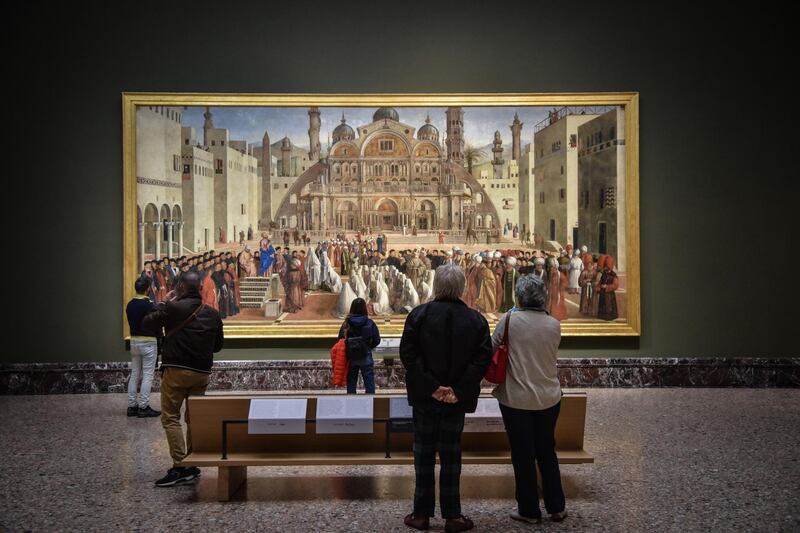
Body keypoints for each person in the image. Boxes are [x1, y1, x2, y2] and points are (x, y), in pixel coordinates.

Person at [399, 263, 493, 532]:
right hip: (455, 401)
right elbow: (482, 358)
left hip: (426, 399)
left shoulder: (419, 315)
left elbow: (409, 355)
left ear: (437, 286)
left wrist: (431, 387)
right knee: (452, 456)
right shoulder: (476, 320)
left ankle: (421, 514)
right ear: (462, 287)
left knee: (423, 456)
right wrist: (457, 390)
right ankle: (453, 516)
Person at [491, 275, 567, 524]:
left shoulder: (510, 319)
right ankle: (556, 507)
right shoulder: (553, 324)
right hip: (549, 397)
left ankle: (528, 510)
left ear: (519, 296)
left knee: (523, 455)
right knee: (547, 451)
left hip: (516, 399)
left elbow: (490, 348)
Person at [142, 271, 224, 488]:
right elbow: (217, 346)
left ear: (180, 288)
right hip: (201, 373)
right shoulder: (213, 314)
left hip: (176, 371)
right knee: (193, 418)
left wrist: (164, 303)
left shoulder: (172, 307)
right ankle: (192, 463)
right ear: (199, 288)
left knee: (170, 417)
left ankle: (180, 466)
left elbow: (147, 323)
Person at [125, 277, 161, 418]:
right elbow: (157, 323)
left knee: (134, 374)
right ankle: (144, 407)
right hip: (148, 342)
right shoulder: (150, 305)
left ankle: (131, 406)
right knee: (147, 375)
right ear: (147, 289)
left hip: (134, 341)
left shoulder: (130, 305)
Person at [337, 298, 380, 394]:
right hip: (366, 356)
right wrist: (367, 347)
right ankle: (369, 406)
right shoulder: (369, 323)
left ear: (352, 308)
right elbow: (377, 340)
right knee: (369, 385)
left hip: (351, 358)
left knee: (351, 384)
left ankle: (352, 406)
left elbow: (340, 339)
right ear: (364, 308)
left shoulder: (346, 324)